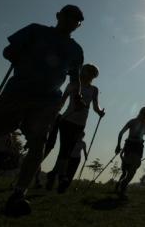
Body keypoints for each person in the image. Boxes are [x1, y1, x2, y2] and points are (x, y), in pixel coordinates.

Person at [0, 5, 84, 216]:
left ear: (78, 25)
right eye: (69, 16)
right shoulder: (35, 30)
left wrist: (76, 95)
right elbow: (7, 51)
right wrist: (15, 54)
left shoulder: (76, 50)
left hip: (46, 101)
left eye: (76, 21)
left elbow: (74, 76)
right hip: (17, 92)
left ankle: (19, 193)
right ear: (59, 16)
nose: (72, 22)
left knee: (38, 144)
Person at [46, 63, 105, 193]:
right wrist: (53, 117)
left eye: (92, 75)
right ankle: (62, 177)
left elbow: (95, 106)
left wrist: (100, 112)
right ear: (83, 72)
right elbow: (62, 101)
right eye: (88, 73)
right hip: (67, 119)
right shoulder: (73, 85)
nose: (90, 77)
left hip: (80, 124)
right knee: (65, 149)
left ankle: (53, 173)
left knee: (67, 150)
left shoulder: (94, 90)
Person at [115, 106, 145, 199]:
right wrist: (118, 145)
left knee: (133, 169)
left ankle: (122, 186)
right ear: (141, 113)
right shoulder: (132, 121)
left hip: (138, 147)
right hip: (130, 145)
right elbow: (121, 133)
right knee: (131, 168)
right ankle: (122, 187)